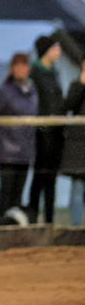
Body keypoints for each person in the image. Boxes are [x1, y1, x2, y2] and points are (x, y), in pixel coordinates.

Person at [0, 53, 38, 218]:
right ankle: (0, 225)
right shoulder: (2, 91)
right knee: (6, 191)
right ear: (12, 68)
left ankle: (14, 227)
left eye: (25, 66)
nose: (22, 70)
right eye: (19, 66)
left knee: (18, 193)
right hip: (6, 150)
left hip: (26, 149)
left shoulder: (31, 91)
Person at [27, 33, 63, 223]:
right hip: (41, 133)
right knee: (39, 176)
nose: (58, 52)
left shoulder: (55, 73)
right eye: (55, 48)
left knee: (51, 178)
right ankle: (33, 217)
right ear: (45, 51)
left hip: (56, 131)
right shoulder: (35, 73)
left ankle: (49, 219)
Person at [59, 61, 85, 226]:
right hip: (78, 148)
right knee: (77, 191)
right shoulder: (76, 85)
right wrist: (82, 84)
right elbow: (69, 105)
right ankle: (76, 232)